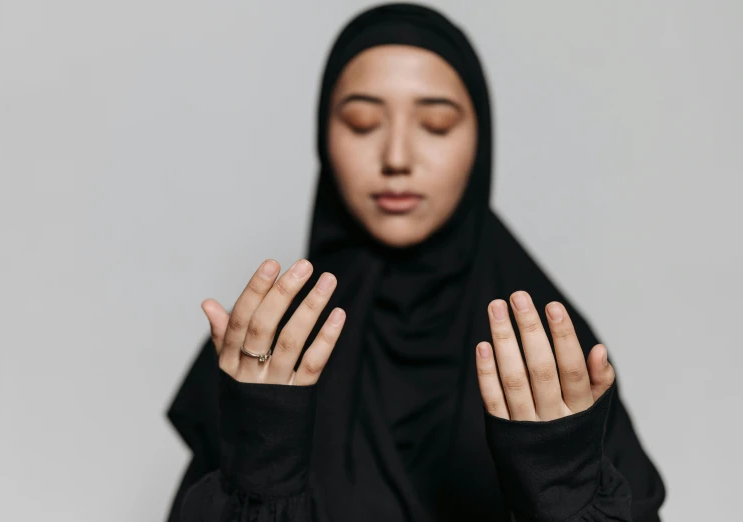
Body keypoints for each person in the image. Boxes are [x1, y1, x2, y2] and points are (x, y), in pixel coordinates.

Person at [166, 4, 665, 521]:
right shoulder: (267, 350)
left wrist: (566, 498)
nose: (397, 156)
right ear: (323, 136)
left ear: (481, 141)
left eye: (436, 123)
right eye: (361, 123)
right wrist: (260, 472)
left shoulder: (548, 348)